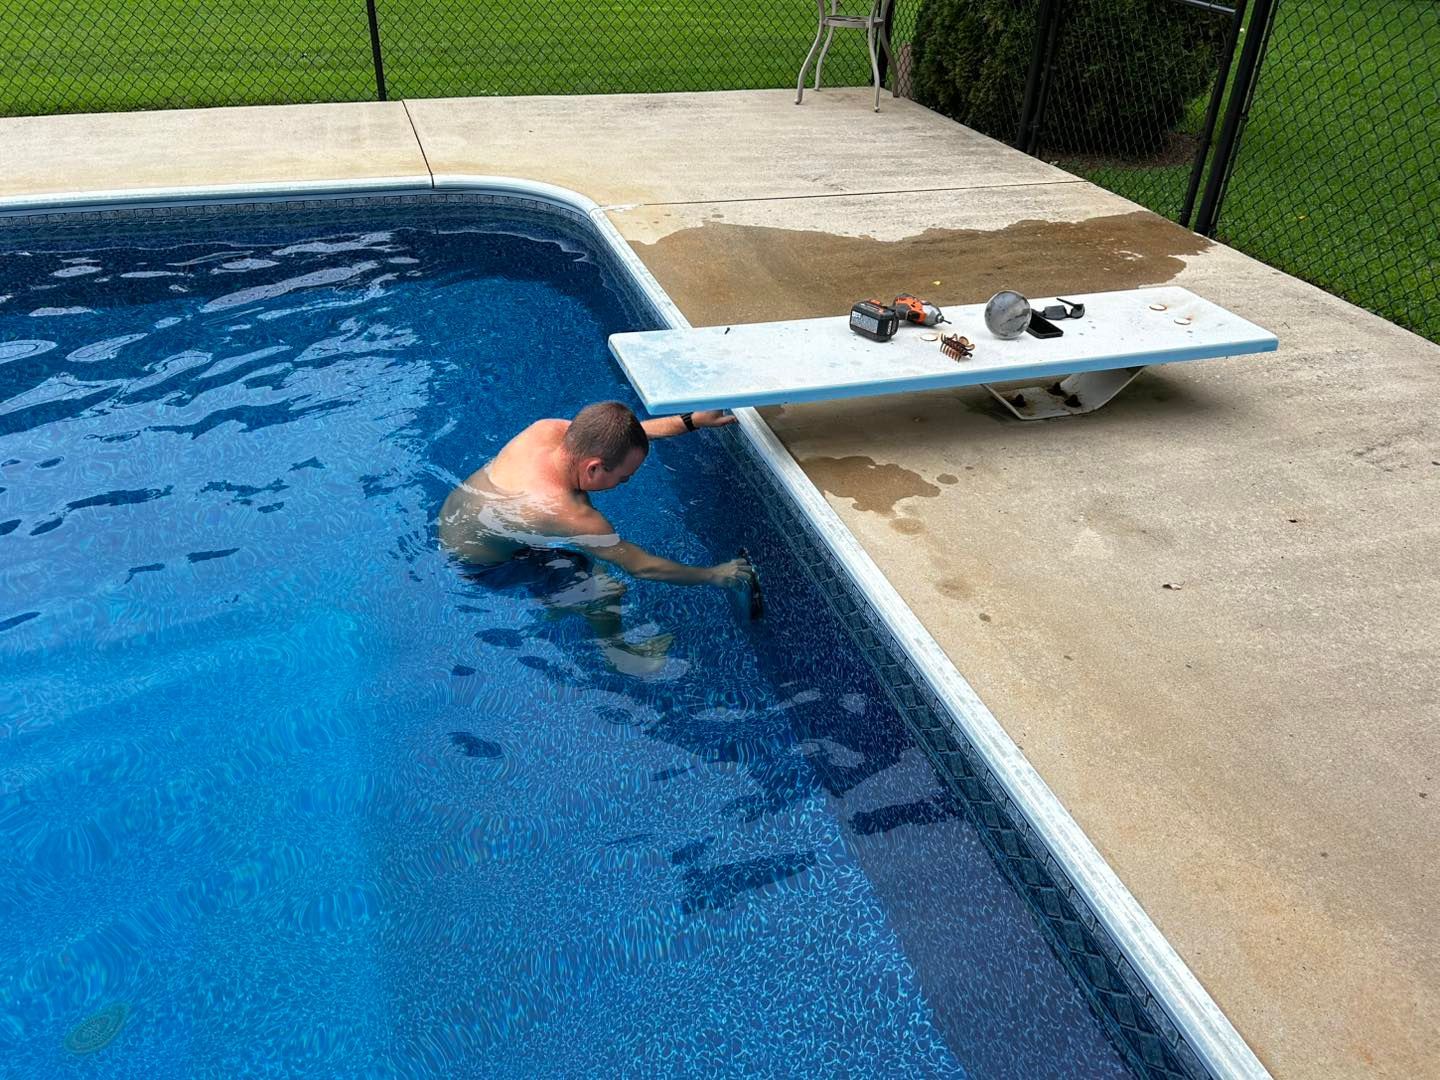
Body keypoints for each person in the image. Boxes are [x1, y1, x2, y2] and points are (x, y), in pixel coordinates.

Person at [439, 401, 754, 674]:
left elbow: (610, 440)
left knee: (573, 561)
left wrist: (690, 421)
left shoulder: (546, 432)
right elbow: (642, 567)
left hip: (454, 519)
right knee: (604, 589)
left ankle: (558, 601)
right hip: (482, 564)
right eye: (622, 477)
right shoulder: (570, 513)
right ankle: (620, 657)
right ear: (593, 469)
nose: (625, 483)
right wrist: (715, 575)